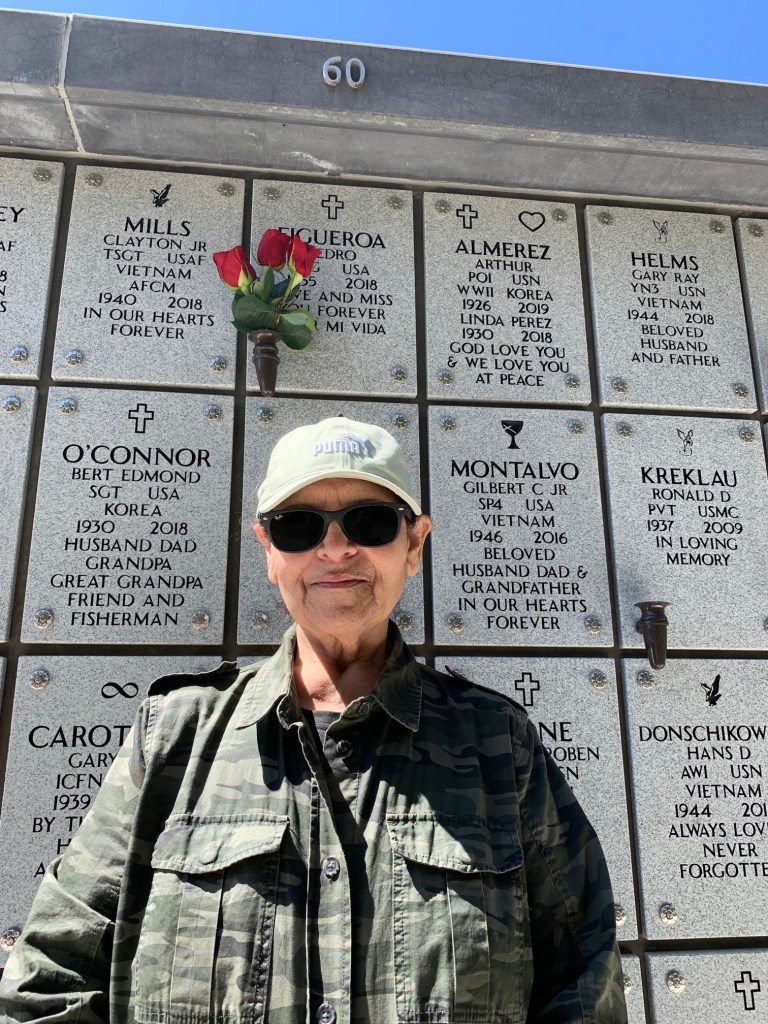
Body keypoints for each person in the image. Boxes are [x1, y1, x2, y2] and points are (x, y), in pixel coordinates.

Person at [0, 415, 628, 1024]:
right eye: (299, 526)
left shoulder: (499, 745)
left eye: (370, 522)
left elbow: (584, 977)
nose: (335, 547)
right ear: (269, 551)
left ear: (414, 545)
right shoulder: (174, 737)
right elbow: (53, 975)